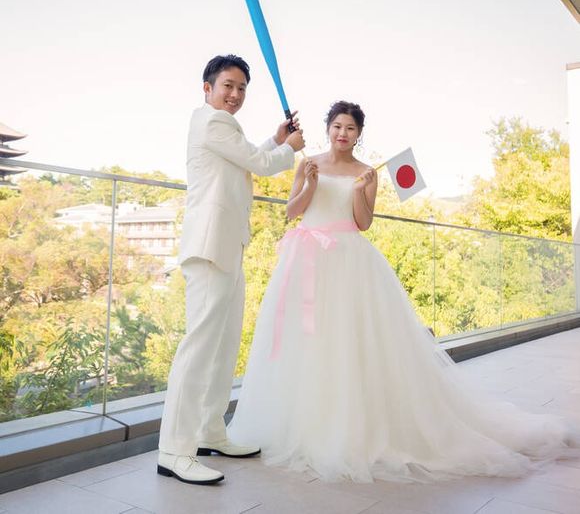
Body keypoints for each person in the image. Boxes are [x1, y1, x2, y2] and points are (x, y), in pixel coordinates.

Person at [227, 100, 580, 483]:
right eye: (337, 126)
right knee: (308, 342)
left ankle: (348, 427)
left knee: (347, 341)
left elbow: (363, 223)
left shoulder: (366, 172)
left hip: (348, 261)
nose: (342, 133)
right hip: (307, 261)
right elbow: (291, 212)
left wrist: (362, 191)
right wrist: (310, 183)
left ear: (359, 135)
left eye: (350, 128)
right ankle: (305, 423)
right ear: (327, 128)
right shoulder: (308, 163)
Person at [157, 54, 305, 485]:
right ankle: (174, 451)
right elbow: (261, 164)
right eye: (228, 85)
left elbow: (246, 157)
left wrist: (276, 139)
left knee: (222, 347)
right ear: (207, 88)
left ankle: (210, 431)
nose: (235, 94)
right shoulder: (212, 121)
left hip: (227, 246)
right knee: (199, 349)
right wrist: (290, 148)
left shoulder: (221, 127)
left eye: (241, 88)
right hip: (209, 248)